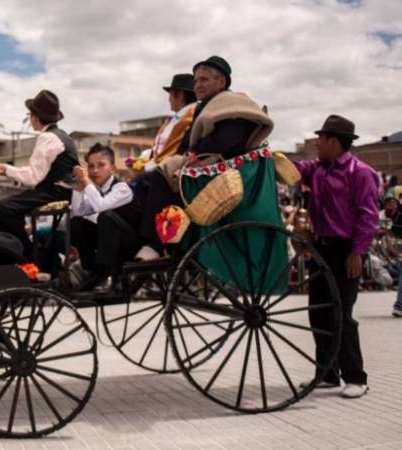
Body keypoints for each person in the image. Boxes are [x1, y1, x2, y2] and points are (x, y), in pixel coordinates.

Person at [136, 55, 276, 261]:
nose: (197, 85)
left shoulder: (233, 104)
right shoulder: (203, 107)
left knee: (159, 180)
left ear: (221, 82)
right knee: (143, 183)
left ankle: (154, 243)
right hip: (199, 162)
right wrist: (186, 155)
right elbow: (186, 143)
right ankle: (154, 239)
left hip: (221, 169)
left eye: (203, 80)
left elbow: (224, 141)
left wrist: (193, 152)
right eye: (195, 81)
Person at [293, 115, 379, 398]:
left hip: (346, 250)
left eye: (321, 139)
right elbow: (290, 169)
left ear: (334, 141)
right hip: (321, 248)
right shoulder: (316, 169)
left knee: (341, 313)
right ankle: (326, 373)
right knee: (318, 312)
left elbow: (368, 217)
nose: (316, 144)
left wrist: (357, 252)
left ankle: (356, 377)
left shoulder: (360, 172)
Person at [0, 90, 79, 260]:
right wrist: (5, 172)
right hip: (62, 191)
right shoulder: (65, 137)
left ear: (34, 117)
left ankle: (25, 255)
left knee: (1, 209)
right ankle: (25, 252)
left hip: (53, 192)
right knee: (3, 208)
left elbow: (33, 176)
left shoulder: (48, 138)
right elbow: (40, 174)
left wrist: (5, 168)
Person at [70, 143, 143, 291]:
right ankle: (91, 271)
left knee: (106, 216)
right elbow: (77, 212)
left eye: (101, 165)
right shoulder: (97, 190)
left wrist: (88, 182)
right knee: (76, 223)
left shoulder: (121, 188)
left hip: (131, 245)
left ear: (113, 168)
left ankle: (105, 274)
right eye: (91, 166)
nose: (95, 171)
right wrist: (79, 186)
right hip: (111, 243)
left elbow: (101, 206)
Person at [133, 73, 197, 205]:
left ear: (180, 95)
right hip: (158, 167)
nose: (168, 100)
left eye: (170, 94)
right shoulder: (177, 118)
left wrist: (149, 167)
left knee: (138, 184)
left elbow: (175, 151)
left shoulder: (189, 117)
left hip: (167, 171)